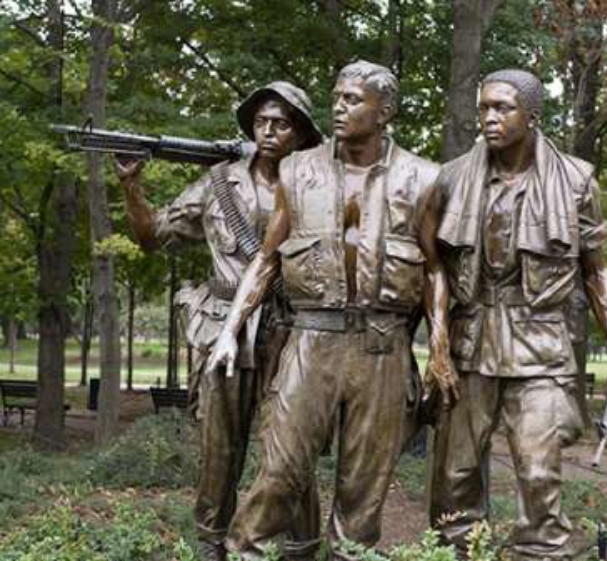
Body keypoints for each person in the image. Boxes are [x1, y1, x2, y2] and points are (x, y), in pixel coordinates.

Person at [206, 60, 458, 560]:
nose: (338, 108)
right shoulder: (296, 170)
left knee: (363, 496)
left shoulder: (424, 178)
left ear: (384, 111)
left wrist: (439, 348)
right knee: (278, 473)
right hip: (310, 340)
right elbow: (266, 259)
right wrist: (230, 329)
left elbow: (434, 270)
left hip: (381, 347)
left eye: (352, 99)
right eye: (336, 96)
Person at [429, 69, 607, 561]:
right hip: (471, 339)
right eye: (483, 107)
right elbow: (433, 268)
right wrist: (436, 345)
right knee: (454, 475)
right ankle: (456, 554)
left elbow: (596, 271)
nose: (488, 118)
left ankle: (540, 554)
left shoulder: (575, 180)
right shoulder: (451, 177)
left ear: (532, 115)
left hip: (540, 341)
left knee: (539, 470)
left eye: (502, 108)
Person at [115, 81, 323, 561]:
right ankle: (211, 547)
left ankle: (304, 548)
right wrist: (131, 186)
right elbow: (151, 236)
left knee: (291, 451)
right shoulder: (217, 183)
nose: (268, 131)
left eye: (281, 123)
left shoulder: (316, 183)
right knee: (218, 452)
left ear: (301, 133)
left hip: (290, 332)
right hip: (221, 331)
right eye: (261, 122)